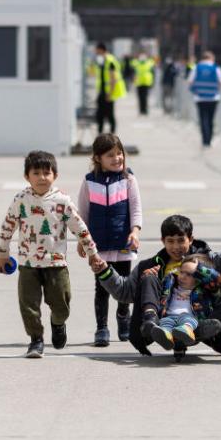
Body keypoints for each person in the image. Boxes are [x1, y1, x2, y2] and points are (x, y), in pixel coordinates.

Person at [90, 213, 221, 357]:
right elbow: (124, 292)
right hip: (166, 320)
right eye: (170, 241)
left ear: (191, 239)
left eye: (181, 240)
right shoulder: (151, 266)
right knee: (149, 277)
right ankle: (155, 324)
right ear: (163, 241)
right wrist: (105, 271)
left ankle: (198, 331)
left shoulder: (207, 260)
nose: (176, 246)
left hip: (198, 318)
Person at [0, 151, 98, 358]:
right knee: (28, 305)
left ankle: (58, 323)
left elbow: (80, 228)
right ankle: (36, 340)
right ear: (27, 176)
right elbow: (7, 227)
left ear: (55, 176)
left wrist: (92, 253)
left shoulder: (62, 201)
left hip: (56, 263)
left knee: (62, 302)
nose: (42, 178)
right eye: (36, 173)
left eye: (47, 173)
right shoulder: (21, 200)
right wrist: (3, 253)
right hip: (28, 263)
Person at [76, 133, 142, 347]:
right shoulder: (89, 182)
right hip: (99, 246)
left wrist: (135, 231)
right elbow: (82, 215)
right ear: (98, 158)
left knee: (124, 285)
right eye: (110, 155)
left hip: (123, 243)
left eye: (119, 153)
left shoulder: (128, 179)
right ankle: (101, 328)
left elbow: (136, 208)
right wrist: (81, 240)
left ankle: (124, 318)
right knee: (102, 287)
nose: (117, 158)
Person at [148, 256, 221, 350]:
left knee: (186, 318)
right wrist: (151, 274)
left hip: (190, 319)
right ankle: (166, 337)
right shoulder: (170, 284)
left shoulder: (203, 291)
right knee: (165, 322)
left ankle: (185, 331)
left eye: (189, 274)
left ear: (199, 277)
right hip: (169, 316)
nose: (183, 276)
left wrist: (199, 268)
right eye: (181, 272)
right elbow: (153, 286)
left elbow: (219, 282)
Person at [188, 51, 221, 148]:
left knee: (203, 119)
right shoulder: (216, 68)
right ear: (211, 58)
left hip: (200, 98)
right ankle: (209, 140)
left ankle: (204, 140)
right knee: (211, 119)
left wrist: (195, 91)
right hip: (213, 97)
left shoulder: (196, 67)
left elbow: (190, 81)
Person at [93, 43, 126, 134]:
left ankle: (112, 133)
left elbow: (113, 79)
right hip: (102, 91)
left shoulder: (110, 61)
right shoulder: (102, 61)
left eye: (97, 50)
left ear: (101, 50)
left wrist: (110, 93)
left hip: (108, 93)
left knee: (109, 114)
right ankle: (100, 132)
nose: (96, 52)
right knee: (100, 114)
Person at [131, 52, 156, 116]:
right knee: (140, 98)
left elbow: (153, 72)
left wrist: (152, 82)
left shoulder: (149, 63)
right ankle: (141, 110)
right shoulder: (136, 63)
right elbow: (134, 71)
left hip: (146, 83)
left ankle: (145, 110)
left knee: (145, 97)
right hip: (139, 83)